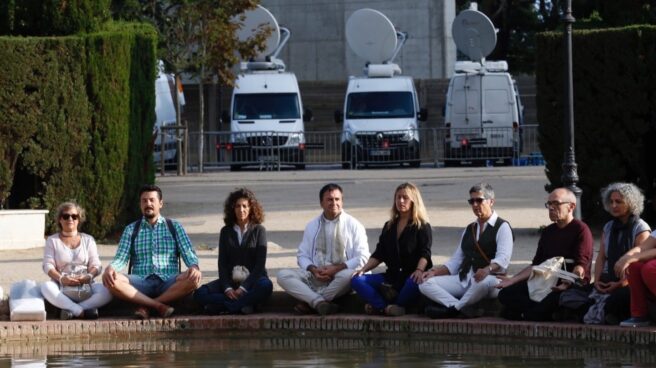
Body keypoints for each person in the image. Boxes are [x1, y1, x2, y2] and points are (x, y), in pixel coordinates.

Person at [102, 184, 202, 319]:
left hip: (169, 279)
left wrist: (194, 266)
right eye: (144, 201)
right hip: (140, 280)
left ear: (160, 203)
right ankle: (159, 306)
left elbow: (188, 252)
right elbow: (121, 258)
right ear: (140, 204)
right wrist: (110, 268)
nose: (148, 204)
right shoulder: (131, 229)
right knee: (110, 280)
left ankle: (147, 306)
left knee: (194, 279)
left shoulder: (174, 226)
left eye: (151, 200)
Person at [496, 187, 593, 321]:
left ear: (571, 206)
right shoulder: (548, 231)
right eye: (549, 204)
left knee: (539, 309)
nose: (551, 208)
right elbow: (536, 264)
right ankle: (534, 313)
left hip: (567, 284)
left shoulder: (581, 229)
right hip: (543, 281)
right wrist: (512, 280)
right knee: (505, 294)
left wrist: (567, 283)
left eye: (556, 203)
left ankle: (528, 314)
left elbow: (581, 265)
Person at [419, 183, 513, 319]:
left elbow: (503, 258)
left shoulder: (503, 227)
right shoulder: (470, 229)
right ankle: (460, 307)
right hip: (465, 279)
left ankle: (453, 310)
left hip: (492, 281)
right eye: (472, 201)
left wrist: (487, 269)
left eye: (479, 200)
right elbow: (456, 260)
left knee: (482, 282)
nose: (475, 205)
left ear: (491, 201)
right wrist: (434, 272)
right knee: (425, 284)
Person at [277, 183, 369, 315]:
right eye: (329, 200)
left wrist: (335, 269)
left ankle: (310, 302)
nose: (334, 203)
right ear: (321, 203)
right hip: (316, 275)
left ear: (342, 202)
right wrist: (313, 270)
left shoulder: (354, 225)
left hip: (340, 275)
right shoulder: (312, 225)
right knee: (282, 275)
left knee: (350, 276)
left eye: (337, 199)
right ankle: (320, 303)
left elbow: (363, 257)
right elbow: (302, 255)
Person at [351, 182, 433, 316]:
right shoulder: (389, 226)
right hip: (391, 277)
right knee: (356, 280)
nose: (401, 201)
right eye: (398, 197)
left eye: (405, 197)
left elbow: (425, 252)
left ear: (414, 201)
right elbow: (379, 253)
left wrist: (419, 270)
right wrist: (363, 270)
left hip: (411, 275)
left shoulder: (422, 226)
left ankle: (399, 306)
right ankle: (383, 307)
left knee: (415, 283)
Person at [194, 188, 273, 315]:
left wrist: (243, 288)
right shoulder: (225, 231)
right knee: (200, 294)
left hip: (253, 281)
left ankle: (223, 307)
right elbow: (222, 263)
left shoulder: (259, 230)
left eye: (244, 206)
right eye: (237, 206)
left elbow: (260, 265)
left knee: (266, 286)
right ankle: (244, 304)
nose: (241, 210)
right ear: (232, 208)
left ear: (251, 208)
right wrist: (227, 288)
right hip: (231, 281)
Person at [40, 202, 112, 320]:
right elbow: (47, 266)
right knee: (46, 286)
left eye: (74, 216)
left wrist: (88, 276)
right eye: (66, 216)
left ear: (79, 219)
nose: (70, 219)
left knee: (109, 290)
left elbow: (97, 265)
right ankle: (81, 312)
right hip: (61, 285)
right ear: (60, 219)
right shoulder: (52, 240)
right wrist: (62, 279)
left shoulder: (88, 239)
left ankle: (72, 310)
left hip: (86, 284)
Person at [591, 183, 650, 325]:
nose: (613, 205)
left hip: (628, 283)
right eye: (611, 202)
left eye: (618, 202)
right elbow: (601, 257)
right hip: (607, 278)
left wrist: (619, 284)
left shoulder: (640, 227)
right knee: (575, 295)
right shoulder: (609, 226)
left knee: (616, 300)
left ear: (630, 203)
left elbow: (640, 264)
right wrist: (597, 280)